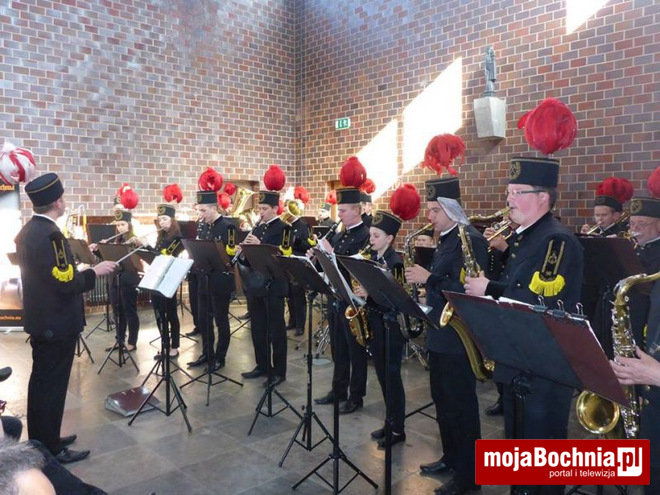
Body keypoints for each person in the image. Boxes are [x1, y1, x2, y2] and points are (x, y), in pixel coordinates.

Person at [465, 157, 584, 495]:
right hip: (522, 359)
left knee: (542, 451)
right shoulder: (525, 238)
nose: (509, 199)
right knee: (520, 447)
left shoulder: (556, 241)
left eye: (518, 192)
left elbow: (541, 300)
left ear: (543, 197)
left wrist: (488, 288)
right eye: (509, 192)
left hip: (545, 365)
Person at [15, 173, 116, 463]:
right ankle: (51, 449)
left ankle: (43, 439)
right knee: (53, 386)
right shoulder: (53, 236)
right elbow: (66, 283)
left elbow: (49, 274)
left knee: (41, 383)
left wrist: (73, 269)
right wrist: (93, 272)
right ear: (57, 202)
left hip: (41, 319)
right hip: (57, 323)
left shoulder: (28, 231)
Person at [405, 176, 487, 495]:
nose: (430, 216)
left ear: (453, 208)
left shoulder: (470, 239)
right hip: (440, 332)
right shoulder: (447, 238)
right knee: (443, 402)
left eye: (435, 210)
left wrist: (429, 278)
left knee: (461, 406)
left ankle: (469, 475)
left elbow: (467, 289)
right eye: (429, 210)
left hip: (458, 338)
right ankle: (451, 458)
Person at [357, 202, 414, 448]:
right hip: (377, 324)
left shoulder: (395, 262)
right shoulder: (374, 258)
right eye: (370, 234)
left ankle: (398, 428)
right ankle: (389, 422)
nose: (371, 239)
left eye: (376, 236)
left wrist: (368, 293)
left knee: (391, 378)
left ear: (389, 238)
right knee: (382, 376)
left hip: (391, 327)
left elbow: (396, 298)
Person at [313, 181, 371, 414]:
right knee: (337, 348)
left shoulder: (365, 236)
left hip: (353, 302)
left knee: (355, 350)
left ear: (357, 210)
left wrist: (331, 255)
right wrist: (317, 257)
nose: (340, 215)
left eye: (344, 210)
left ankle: (356, 396)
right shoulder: (339, 236)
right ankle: (338, 390)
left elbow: (359, 268)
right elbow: (328, 265)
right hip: (336, 298)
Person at [239, 167, 290, 387]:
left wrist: (261, 246)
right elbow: (250, 260)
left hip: (275, 285)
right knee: (258, 328)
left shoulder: (285, 228)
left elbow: (283, 257)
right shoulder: (257, 228)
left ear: (275, 209)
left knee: (276, 330)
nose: (260, 212)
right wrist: (243, 253)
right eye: (259, 208)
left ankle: (279, 371)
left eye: (264, 209)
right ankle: (262, 365)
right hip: (256, 285)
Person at [187, 188, 236, 372]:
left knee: (220, 320)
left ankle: (219, 357)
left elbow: (231, 257)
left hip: (220, 280)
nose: (200, 215)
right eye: (198, 210)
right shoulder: (203, 226)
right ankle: (207, 353)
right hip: (204, 278)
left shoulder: (228, 227)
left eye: (203, 210)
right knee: (203, 319)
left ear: (214, 208)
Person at [151, 203, 184, 360]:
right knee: (158, 312)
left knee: (170, 313)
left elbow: (165, 254)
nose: (161, 222)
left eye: (165, 219)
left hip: (170, 278)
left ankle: (174, 346)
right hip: (157, 277)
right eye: (159, 220)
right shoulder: (161, 236)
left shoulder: (178, 238)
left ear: (172, 220)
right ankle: (165, 344)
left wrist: (146, 247)